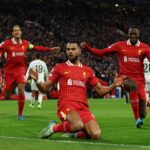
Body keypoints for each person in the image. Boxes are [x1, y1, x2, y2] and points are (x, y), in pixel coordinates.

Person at [29, 42, 126, 139]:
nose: (70, 52)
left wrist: (113, 85)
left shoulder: (87, 70)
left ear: (79, 51)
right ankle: (53, 128)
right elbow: (44, 88)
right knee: (77, 125)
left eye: (73, 49)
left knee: (95, 134)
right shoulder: (60, 67)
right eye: (68, 49)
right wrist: (37, 81)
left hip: (83, 107)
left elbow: (100, 90)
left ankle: (75, 133)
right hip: (66, 104)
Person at [81, 26, 150, 128]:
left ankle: (140, 117)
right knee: (133, 86)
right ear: (128, 34)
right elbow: (101, 52)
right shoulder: (120, 45)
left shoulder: (145, 48)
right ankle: (137, 119)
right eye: (131, 34)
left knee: (143, 113)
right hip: (124, 78)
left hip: (140, 81)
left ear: (139, 35)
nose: (133, 36)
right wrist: (88, 48)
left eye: (135, 34)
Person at [0, 25, 60, 120]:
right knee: (7, 95)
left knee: (21, 89)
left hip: (20, 70)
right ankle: (5, 94)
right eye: (15, 31)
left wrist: (50, 49)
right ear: (12, 33)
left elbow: (36, 48)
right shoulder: (6, 43)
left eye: (19, 30)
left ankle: (20, 114)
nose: (17, 32)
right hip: (9, 72)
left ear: (21, 32)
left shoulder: (25, 43)